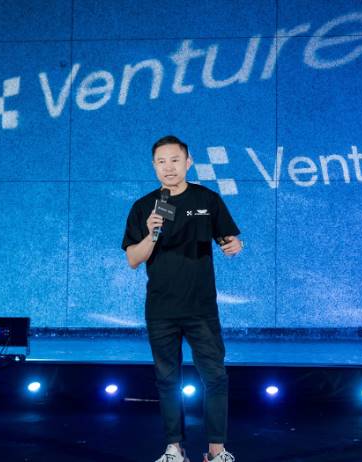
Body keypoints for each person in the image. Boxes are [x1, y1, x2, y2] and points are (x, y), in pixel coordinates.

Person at [122, 135, 242, 462]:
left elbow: (228, 239)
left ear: (188, 162)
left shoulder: (207, 199)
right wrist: (151, 234)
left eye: (175, 160)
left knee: (215, 377)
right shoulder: (144, 207)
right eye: (161, 162)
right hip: (161, 308)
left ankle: (216, 451)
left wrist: (235, 245)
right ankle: (174, 449)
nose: (169, 167)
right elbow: (133, 259)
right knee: (167, 379)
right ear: (154, 166)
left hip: (201, 308)